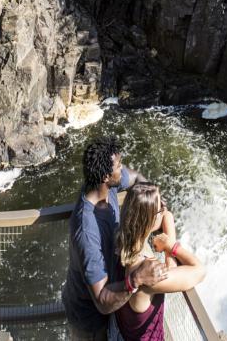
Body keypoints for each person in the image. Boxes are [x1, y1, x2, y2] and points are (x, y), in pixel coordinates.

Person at [63, 137, 168, 340]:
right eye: (119, 166)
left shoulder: (106, 186)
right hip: (90, 320)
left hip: (112, 299)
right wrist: (137, 279)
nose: (123, 169)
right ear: (105, 176)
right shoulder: (87, 232)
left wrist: (152, 199)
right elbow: (102, 301)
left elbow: (137, 178)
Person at [115, 182, 207, 341]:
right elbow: (199, 271)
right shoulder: (145, 273)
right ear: (149, 220)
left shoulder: (123, 241)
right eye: (160, 208)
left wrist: (167, 218)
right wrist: (171, 246)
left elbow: (170, 269)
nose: (163, 210)